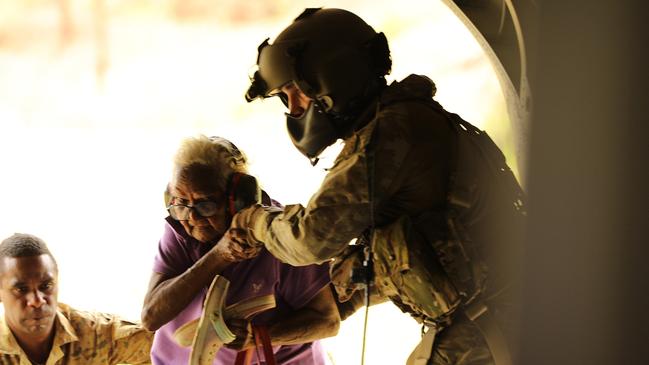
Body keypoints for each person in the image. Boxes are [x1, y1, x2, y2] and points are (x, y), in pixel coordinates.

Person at [237, 7, 526, 365]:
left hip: (490, 331)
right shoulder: (412, 117)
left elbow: (310, 239)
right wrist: (344, 293)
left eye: (294, 93)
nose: (294, 109)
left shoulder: (390, 135)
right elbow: (423, 249)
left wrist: (253, 221)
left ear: (330, 79)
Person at [141, 135, 339, 365]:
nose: (192, 217)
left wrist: (258, 336)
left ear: (238, 200)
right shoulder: (181, 226)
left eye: (206, 204)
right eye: (180, 202)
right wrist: (218, 256)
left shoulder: (282, 233)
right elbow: (151, 317)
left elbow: (327, 320)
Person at [0, 233, 153, 364]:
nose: (37, 300)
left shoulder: (96, 334)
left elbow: (168, 344)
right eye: (21, 289)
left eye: (46, 286)